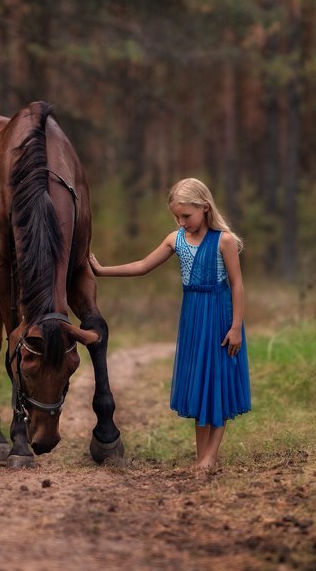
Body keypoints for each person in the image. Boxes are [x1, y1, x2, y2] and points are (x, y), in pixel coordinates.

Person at [89, 178, 251, 469]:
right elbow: (142, 266)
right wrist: (102, 271)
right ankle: (201, 458)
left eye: (186, 216)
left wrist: (236, 326)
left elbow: (237, 284)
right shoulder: (175, 240)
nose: (182, 222)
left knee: (218, 381)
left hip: (220, 316)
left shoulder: (223, 240)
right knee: (199, 383)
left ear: (205, 207)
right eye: (177, 217)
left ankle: (211, 456)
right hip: (193, 317)